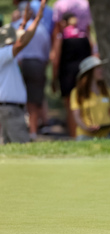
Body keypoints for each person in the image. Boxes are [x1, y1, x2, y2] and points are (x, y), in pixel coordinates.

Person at [0, 0, 46, 144]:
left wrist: (24, 22)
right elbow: (21, 42)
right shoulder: (3, 54)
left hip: (9, 108)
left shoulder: (5, 54)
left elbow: (18, 39)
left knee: (10, 154)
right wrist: (37, 19)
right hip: (10, 109)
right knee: (23, 148)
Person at [51, 0, 93, 137]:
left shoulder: (59, 5)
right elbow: (89, 33)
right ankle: (88, 133)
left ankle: (74, 136)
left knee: (70, 106)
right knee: (85, 101)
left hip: (67, 71)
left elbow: (56, 58)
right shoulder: (86, 4)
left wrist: (53, 77)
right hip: (84, 68)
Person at [11, 5, 51, 141]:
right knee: (33, 100)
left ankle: (18, 132)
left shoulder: (14, 26)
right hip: (36, 65)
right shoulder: (42, 29)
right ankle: (32, 132)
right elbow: (47, 52)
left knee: (16, 100)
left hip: (17, 65)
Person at [70, 56, 110, 141]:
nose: (101, 70)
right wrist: (87, 128)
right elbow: (77, 116)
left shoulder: (106, 90)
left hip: (107, 133)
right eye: (98, 68)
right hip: (86, 135)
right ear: (89, 72)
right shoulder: (77, 93)